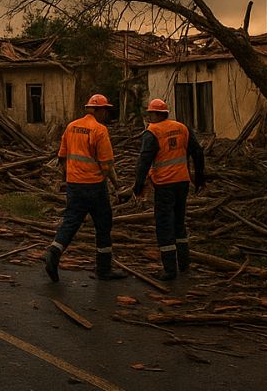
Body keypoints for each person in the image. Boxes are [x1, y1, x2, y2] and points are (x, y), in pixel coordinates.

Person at [44, 93, 130, 283]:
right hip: (94, 186)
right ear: (97, 110)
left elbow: (62, 158)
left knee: (71, 221)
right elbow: (107, 165)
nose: (106, 114)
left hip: (74, 185)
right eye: (105, 110)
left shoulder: (71, 126)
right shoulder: (99, 130)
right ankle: (104, 269)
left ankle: (53, 251)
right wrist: (117, 187)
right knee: (103, 225)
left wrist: (68, 178)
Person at [132, 98, 206, 281]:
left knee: (164, 225)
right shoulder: (182, 128)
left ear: (157, 114)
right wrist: (199, 178)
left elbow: (144, 161)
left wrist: (138, 185)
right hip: (182, 182)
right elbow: (198, 152)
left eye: (150, 114)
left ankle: (169, 270)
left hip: (165, 184)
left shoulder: (152, 132)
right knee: (179, 222)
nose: (149, 118)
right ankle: (184, 263)